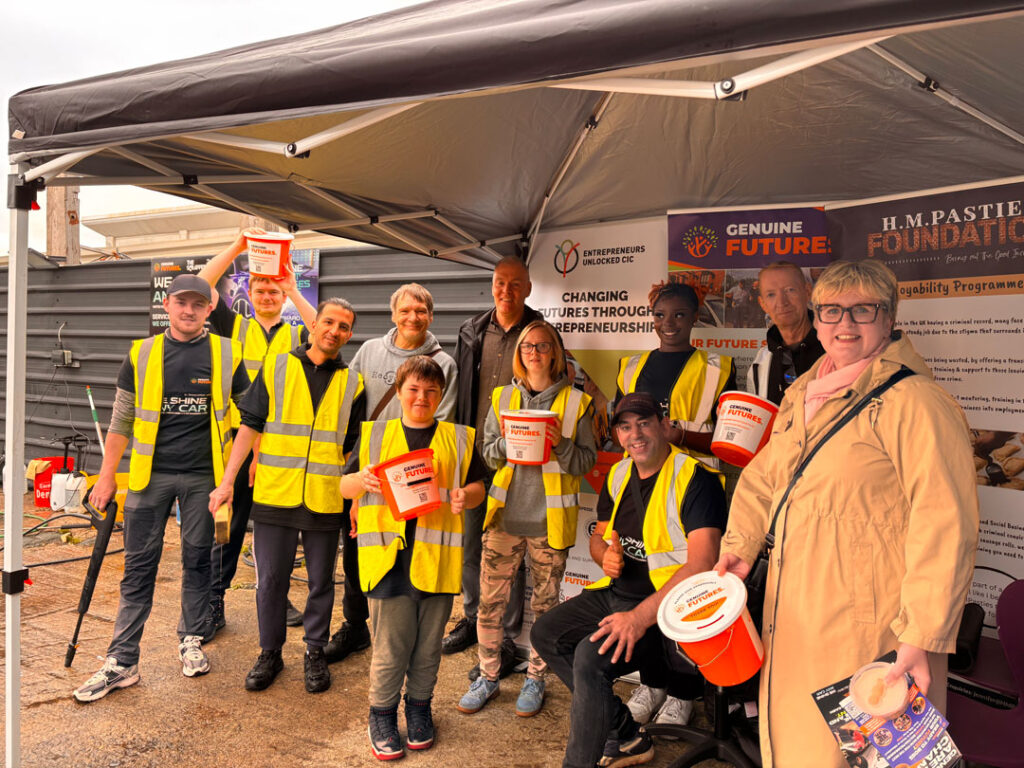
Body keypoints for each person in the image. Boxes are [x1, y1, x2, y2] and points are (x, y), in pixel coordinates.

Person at [715, 259, 979, 768]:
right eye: (831, 311)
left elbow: (946, 524)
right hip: (795, 613)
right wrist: (739, 551)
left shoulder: (915, 402)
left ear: (889, 318)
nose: (845, 324)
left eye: (863, 310)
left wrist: (920, 637)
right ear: (815, 320)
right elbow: (764, 479)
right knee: (800, 749)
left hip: (875, 629)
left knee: (862, 759)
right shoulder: (804, 393)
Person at [73, 274, 250, 702]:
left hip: (203, 478)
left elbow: (250, 419)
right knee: (138, 567)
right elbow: (121, 420)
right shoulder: (142, 352)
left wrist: (230, 479)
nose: (188, 311)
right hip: (149, 477)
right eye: (181, 303)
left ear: (210, 310)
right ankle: (123, 660)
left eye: (198, 304)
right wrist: (106, 475)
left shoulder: (228, 353)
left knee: (198, 561)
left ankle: (191, 637)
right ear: (166, 306)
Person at [531, 392, 727, 768]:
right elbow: (597, 537)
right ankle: (624, 733)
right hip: (617, 594)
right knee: (547, 633)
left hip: (669, 612)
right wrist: (605, 556)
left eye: (644, 423)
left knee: (590, 657)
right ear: (617, 434)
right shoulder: (620, 472)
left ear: (665, 426)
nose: (635, 434)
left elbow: (702, 563)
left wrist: (638, 619)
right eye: (625, 426)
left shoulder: (696, 479)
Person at [208, 298, 365, 694]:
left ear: (349, 334)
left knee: (320, 583)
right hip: (276, 494)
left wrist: (356, 501)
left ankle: (314, 650)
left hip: (325, 498)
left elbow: (352, 451)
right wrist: (227, 482)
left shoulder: (354, 383)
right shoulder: (278, 366)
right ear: (314, 325)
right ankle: (270, 652)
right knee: (272, 581)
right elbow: (249, 426)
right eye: (328, 321)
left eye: (344, 326)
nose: (334, 330)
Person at [339, 356, 487, 760]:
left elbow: (479, 486)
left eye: (431, 391)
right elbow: (344, 486)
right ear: (400, 392)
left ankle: (419, 709)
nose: (422, 397)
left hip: (437, 562)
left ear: (441, 395)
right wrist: (360, 480)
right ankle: (382, 714)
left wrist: (465, 496)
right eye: (414, 389)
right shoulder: (375, 435)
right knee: (391, 648)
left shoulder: (459, 438)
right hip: (388, 562)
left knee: (427, 649)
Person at [457, 320, 596, 718]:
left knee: (546, 608)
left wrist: (561, 445)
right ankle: (487, 676)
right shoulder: (503, 398)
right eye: (527, 346)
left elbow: (585, 461)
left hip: (550, 523)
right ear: (519, 354)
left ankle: (536, 678)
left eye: (542, 346)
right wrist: (509, 443)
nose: (534, 352)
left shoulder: (576, 403)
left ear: (555, 352)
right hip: (504, 518)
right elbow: (487, 451)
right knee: (489, 603)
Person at [614, 279, 735, 726]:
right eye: (661, 315)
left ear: (695, 318)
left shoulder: (716, 368)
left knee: (689, 591)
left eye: (680, 315)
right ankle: (654, 682)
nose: (669, 324)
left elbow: (729, 439)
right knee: (644, 585)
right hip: (645, 486)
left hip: (693, 489)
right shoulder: (630, 367)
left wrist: (678, 435)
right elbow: (620, 425)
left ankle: (685, 691)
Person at [322, 284, 460, 665]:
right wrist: (356, 478)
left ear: (431, 316)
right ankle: (355, 625)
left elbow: (440, 425)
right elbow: (350, 406)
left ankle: (403, 629)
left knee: (406, 555)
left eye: (420, 311)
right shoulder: (368, 352)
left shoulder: (443, 363)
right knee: (355, 552)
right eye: (405, 310)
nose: (412, 317)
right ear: (392, 314)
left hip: (414, 478)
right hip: (368, 473)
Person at [197, 229, 317, 632]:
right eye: (261, 290)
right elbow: (202, 286)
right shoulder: (235, 327)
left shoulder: (298, 336)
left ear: (283, 297)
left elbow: (324, 333)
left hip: (279, 455)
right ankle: (213, 603)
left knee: (275, 536)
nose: (267, 297)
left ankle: (276, 599)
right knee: (225, 529)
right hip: (237, 449)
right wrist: (237, 246)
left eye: (274, 292)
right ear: (250, 289)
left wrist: (293, 288)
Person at [444, 256, 552, 675]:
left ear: (527, 288)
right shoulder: (472, 329)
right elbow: (460, 391)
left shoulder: (540, 331)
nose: (506, 291)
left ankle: (506, 638)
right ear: (492, 286)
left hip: (519, 460)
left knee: (513, 549)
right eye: (499, 283)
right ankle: (473, 619)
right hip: (476, 452)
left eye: (515, 284)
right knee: (472, 545)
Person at [746, 261, 824, 405]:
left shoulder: (833, 349)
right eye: (771, 294)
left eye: (790, 290)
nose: (782, 302)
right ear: (762, 304)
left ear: (807, 292)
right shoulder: (760, 363)